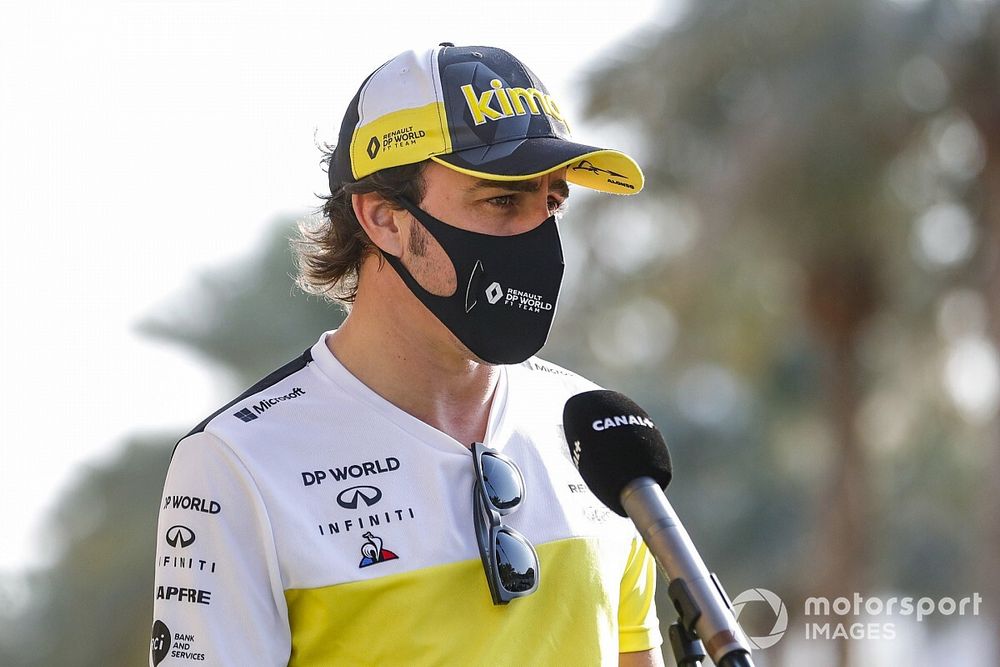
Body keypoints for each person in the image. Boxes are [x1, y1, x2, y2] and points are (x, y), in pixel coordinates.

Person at [150, 43, 663, 666]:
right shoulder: (237, 463)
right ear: (384, 219)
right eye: (502, 200)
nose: (541, 239)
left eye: (551, 203)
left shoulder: (594, 432)